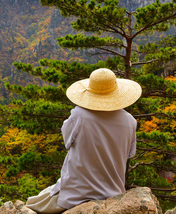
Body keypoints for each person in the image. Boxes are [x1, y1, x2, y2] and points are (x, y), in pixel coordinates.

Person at [26, 68, 141, 213]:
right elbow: (130, 153)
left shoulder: (79, 115)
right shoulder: (130, 121)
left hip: (77, 192)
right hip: (114, 192)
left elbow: (67, 140)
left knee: (32, 204)